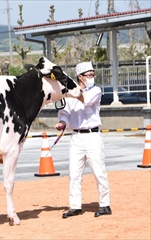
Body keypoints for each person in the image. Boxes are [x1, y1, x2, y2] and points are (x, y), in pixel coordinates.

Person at [55, 61, 112, 218]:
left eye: (93, 74)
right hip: (77, 137)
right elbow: (65, 113)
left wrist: (69, 90)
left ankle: (105, 205)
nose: (92, 77)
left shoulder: (96, 91)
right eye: (89, 75)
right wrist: (62, 123)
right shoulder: (70, 94)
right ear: (80, 76)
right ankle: (75, 206)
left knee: (99, 172)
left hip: (93, 136)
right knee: (74, 173)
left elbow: (85, 99)